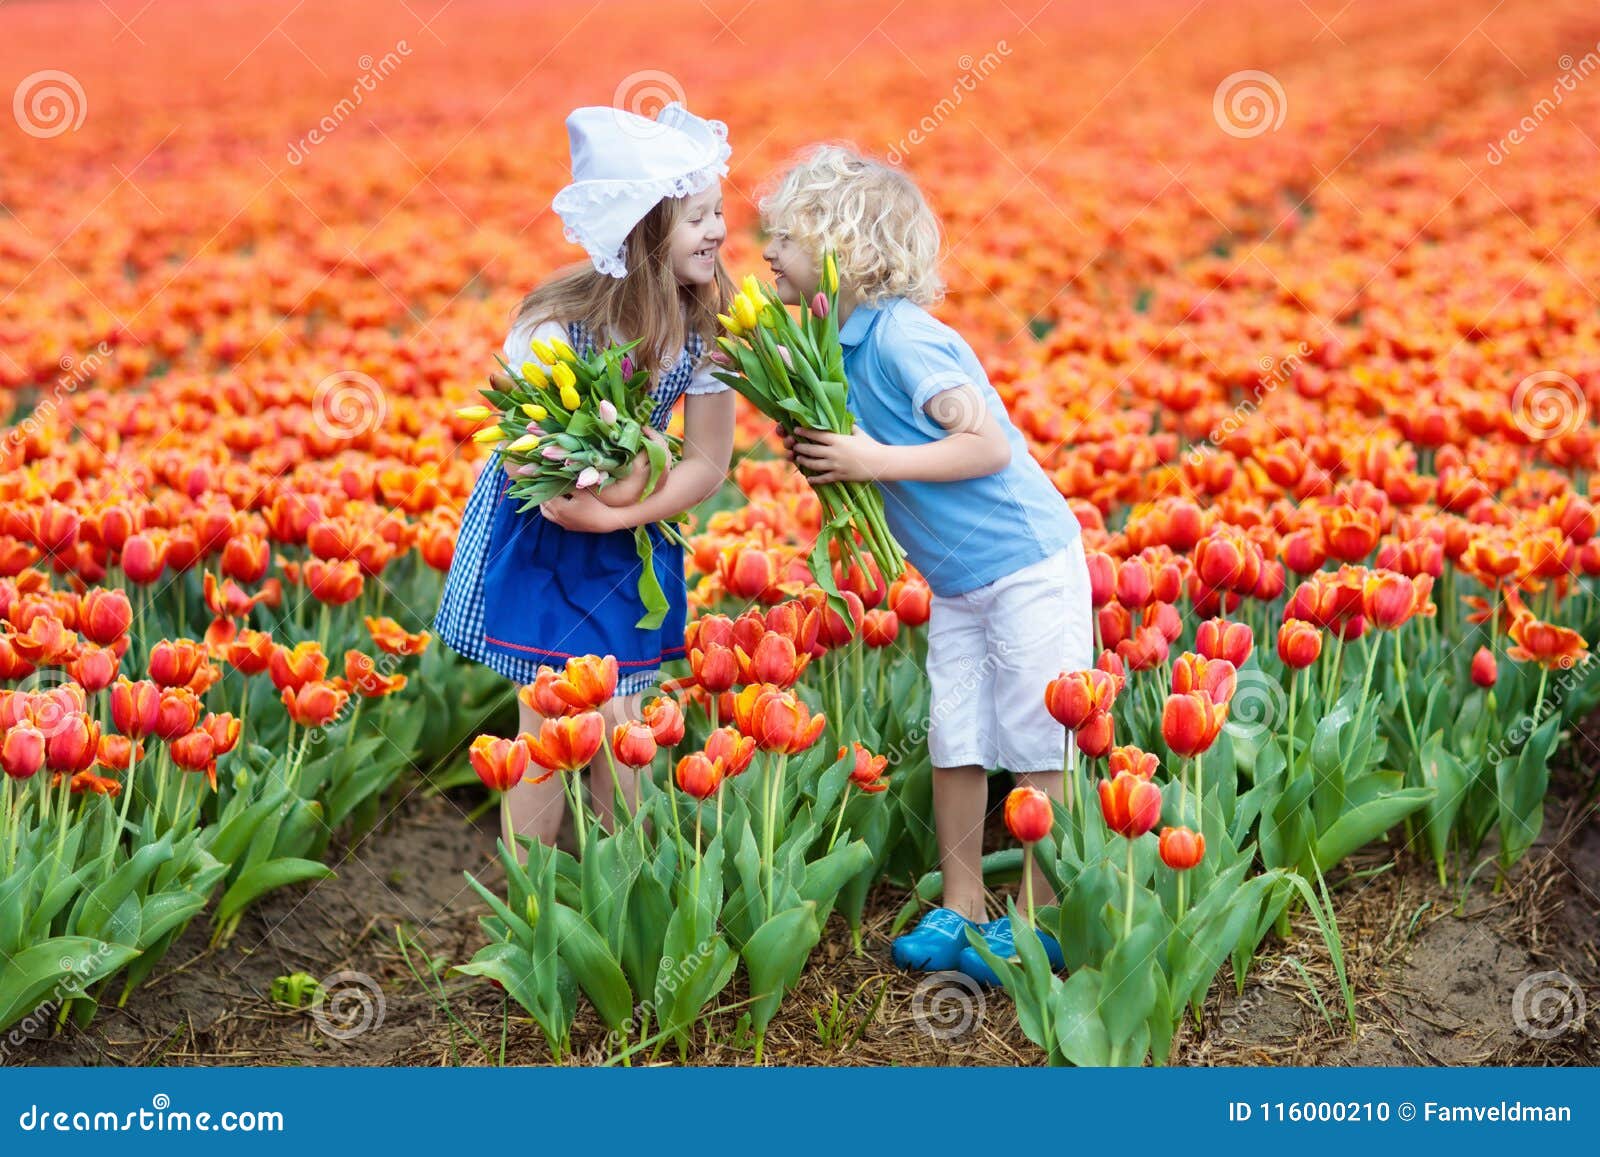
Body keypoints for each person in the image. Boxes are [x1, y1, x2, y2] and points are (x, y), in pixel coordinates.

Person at [760, 143, 1092, 983]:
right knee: (955, 735)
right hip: (957, 581)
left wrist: (869, 459)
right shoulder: (829, 347)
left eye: (785, 238)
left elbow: (984, 444)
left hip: (1024, 564)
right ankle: (962, 904)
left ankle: (1043, 919)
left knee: (1034, 738)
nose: (766, 253)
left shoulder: (905, 340)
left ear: (847, 252)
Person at [433, 101, 736, 858]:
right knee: (548, 722)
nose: (719, 231)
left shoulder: (704, 331)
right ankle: (535, 900)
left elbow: (707, 461)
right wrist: (594, 498)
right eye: (697, 217)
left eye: (719, 212)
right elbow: (523, 455)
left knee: (627, 722)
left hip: (626, 540)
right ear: (642, 231)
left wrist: (618, 510)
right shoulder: (553, 325)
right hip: (547, 535)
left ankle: (620, 894)